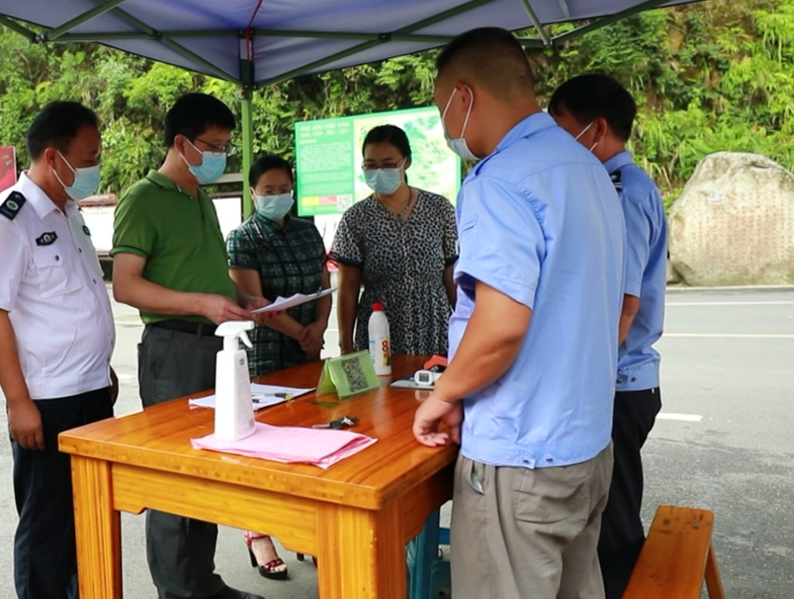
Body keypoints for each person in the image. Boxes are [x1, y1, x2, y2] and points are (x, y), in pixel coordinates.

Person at [412, 28, 626, 599]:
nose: (445, 127)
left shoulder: (500, 181)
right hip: (587, 445)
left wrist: (443, 396)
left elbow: (500, 325)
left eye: (440, 110)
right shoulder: (587, 169)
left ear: (463, 96)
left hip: (521, 455)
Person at [111, 92, 272, 599]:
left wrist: (238, 296)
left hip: (217, 347)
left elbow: (202, 269)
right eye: (214, 145)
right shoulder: (143, 198)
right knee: (174, 477)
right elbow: (127, 285)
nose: (222, 155)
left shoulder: (199, 197)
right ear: (181, 143)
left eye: (227, 145)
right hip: (174, 349)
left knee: (209, 468)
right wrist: (202, 303)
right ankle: (179, 591)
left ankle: (202, 582)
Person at [0, 101, 117, 599]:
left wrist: (103, 367)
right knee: (48, 528)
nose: (96, 165)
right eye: (89, 155)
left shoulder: (71, 212)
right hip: (47, 400)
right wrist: (18, 402)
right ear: (54, 157)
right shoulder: (8, 219)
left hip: (92, 388)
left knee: (88, 519)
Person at [549, 73, 668, 599]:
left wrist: (582, 379)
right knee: (604, 517)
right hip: (621, 380)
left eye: (562, 130)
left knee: (613, 530)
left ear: (595, 130)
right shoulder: (623, 186)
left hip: (615, 384)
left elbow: (621, 305)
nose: (556, 145)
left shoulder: (621, 192)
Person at [225, 154, 331, 581]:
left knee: (307, 438)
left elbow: (324, 284)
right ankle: (259, 531)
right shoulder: (243, 238)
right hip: (268, 348)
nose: (276, 197)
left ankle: (303, 530)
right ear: (253, 194)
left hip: (310, 345)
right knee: (263, 445)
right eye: (267, 192)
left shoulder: (307, 231)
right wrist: (300, 332)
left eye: (283, 189)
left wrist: (320, 326)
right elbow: (254, 300)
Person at [331, 124, 459, 358]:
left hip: (434, 326)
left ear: (406, 162)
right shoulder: (355, 218)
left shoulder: (439, 209)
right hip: (379, 329)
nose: (379, 172)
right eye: (370, 166)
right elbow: (348, 288)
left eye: (388, 165)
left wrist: (467, 326)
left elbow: (451, 276)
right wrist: (345, 345)